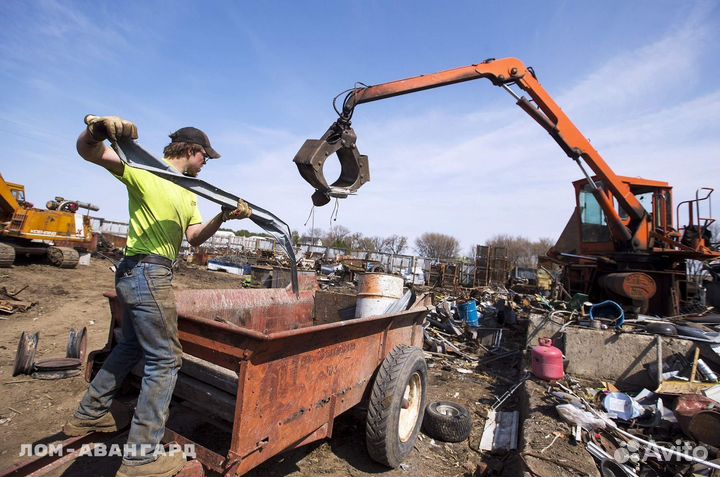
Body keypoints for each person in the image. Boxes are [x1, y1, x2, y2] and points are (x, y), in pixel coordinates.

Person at [64, 115, 252, 477]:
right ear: (192, 150)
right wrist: (95, 131)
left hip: (144, 274)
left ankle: (90, 413)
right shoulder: (145, 169)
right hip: (146, 271)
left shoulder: (187, 190)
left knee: (132, 346)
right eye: (205, 157)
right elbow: (89, 152)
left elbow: (194, 237)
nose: (206, 163)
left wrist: (223, 216)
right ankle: (141, 457)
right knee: (165, 360)